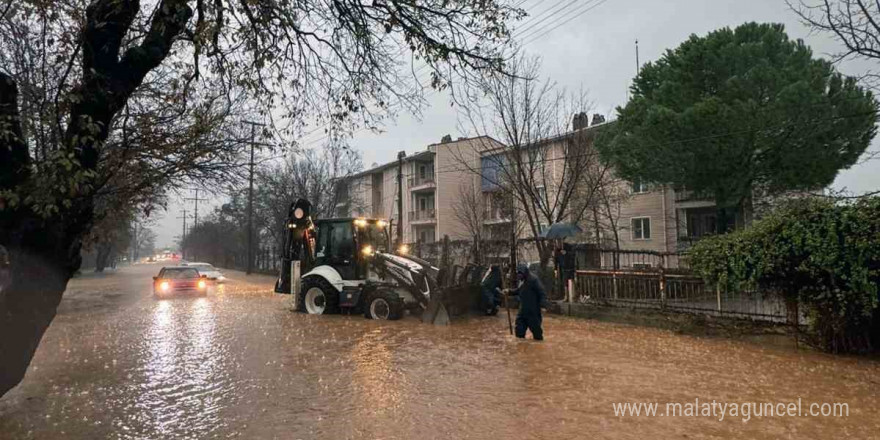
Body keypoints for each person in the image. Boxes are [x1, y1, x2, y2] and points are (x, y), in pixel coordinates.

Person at [504, 264, 549, 340]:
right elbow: (518, 291)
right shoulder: (522, 281)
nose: (519, 275)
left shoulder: (533, 280)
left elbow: (542, 293)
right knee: (519, 332)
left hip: (533, 311)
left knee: (537, 334)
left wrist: (543, 306)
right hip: (522, 310)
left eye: (520, 273)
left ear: (525, 272)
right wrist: (509, 291)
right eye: (518, 273)